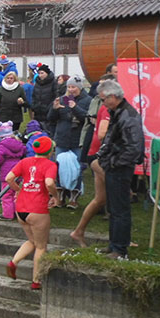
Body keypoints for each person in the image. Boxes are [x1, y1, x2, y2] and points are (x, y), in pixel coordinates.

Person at [96, 80, 144, 259]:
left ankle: (120, 248)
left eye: (103, 100)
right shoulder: (117, 112)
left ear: (113, 97)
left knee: (120, 208)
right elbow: (111, 139)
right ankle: (113, 244)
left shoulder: (128, 116)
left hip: (121, 167)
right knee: (113, 207)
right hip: (114, 164)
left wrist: (114, 162)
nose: (103, 103)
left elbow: (134, 147)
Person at [5, 137, 61, 290]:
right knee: (41, 246)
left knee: (32, 241)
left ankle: (14, 262)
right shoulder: (50, 164)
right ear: (49, 152)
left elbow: (9, 178)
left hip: (21, 208)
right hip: (37, 209)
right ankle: (36, 281)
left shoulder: (25, 161)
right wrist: (55, 196)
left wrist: (18, 190)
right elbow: (49, 183)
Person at [71, 74, 117, 247]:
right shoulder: (106, 108)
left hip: (97, 154)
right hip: (98, 156)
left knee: (100, 199)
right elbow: (102, 133)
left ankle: (78, 231)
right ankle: (119, 238)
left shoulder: (107, 107)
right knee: (118, 193)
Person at [47, 76, 92, 208]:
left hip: (77, 139)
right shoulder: (64, 99)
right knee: (59, 168)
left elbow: (87, 118)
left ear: (80, 87)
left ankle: (73, 197)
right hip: (62, 138)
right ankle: (60, 197)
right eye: (69, 87)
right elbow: (51, 119)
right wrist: (54, 109)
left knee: (76, 168)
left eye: (74, 87)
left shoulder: (87, 100)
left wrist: (75, 107)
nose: (71, 90)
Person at [0, 121, 26, 221]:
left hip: (6, 171)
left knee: (6, 194)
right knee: (16, 192)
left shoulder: (2, 145)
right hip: (18, 169)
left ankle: (8, 214)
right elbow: (24, 151)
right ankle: (17, 212)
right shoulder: (19, 143)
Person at [31, 64, 56, 129]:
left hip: (48, 112)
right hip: (37, 112)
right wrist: (34, 106)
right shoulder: (37, 83)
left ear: (47, 73)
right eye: (39, 73)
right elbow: (34, 96)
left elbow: (55, 96)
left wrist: (50, 108)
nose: (40, 75)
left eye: (42, 73)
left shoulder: (53, 83)